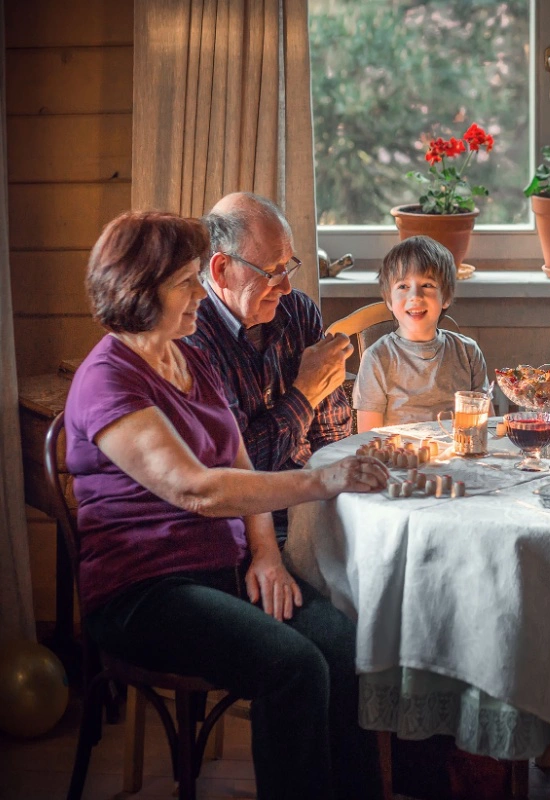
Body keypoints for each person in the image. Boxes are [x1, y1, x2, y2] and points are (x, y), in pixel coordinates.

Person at [66, 211, 390, 800]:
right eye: (185, 282)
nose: (199, 293)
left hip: (225, 567)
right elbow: (197, 488)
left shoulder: (187, 357)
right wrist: (321, 482)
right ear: (140, 291)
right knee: (294, 668)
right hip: (145, 590)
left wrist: (265, 553)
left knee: (344, 647)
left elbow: (240, 464)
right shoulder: (108, 379)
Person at [185, 192, 352, 541]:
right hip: (241, 527)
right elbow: (237, 472)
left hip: (316, 505)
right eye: (272, 272)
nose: (286, 287)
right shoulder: (192, 336)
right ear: (221, 270)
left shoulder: (298, 312)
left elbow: (331, 436)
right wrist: (305, 394)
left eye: (288, 266)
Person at [354, 236, 488, 430]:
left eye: (427, 285)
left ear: (446, 297)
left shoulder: (468, 352)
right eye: (403, 286)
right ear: (389, 301)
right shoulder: (376, 358)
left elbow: (486, 427)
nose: (415, 296)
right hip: (397, 450)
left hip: (460, 448)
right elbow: (368, 437)